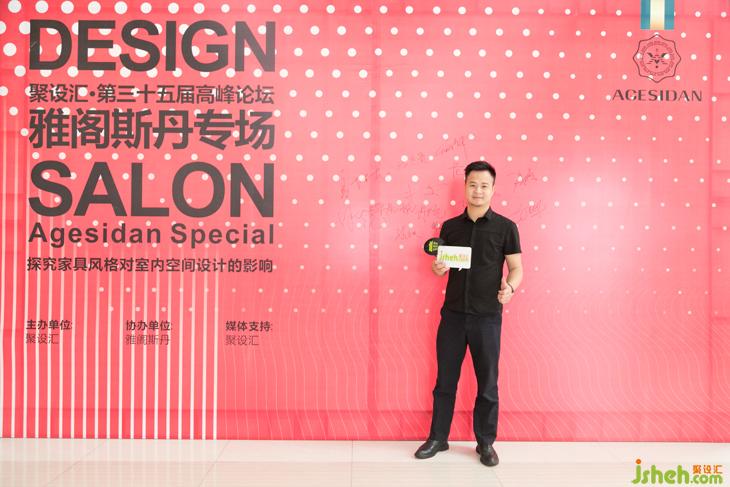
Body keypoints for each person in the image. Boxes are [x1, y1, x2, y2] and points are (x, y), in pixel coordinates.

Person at [414, 161, 523, 467]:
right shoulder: (450, 227)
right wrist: (438, 268)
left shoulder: (506, 228)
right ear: (464, 187)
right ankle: (438, 438)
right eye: (473, 184)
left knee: (487, 383)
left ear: (493, 189)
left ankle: (485, 443)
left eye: (484, 185)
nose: (478, 191)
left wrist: (510, 288)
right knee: (445, 381)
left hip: (487, 318)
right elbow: (442, 267)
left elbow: (516, 268)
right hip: (453, 316)